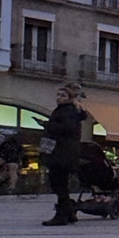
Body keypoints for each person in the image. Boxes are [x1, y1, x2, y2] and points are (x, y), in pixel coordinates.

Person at [40, 84, 88, 225]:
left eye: (63, 95)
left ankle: (61, 216)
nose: (59, 98)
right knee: (60, 184)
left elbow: (68, 128)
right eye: (58, 95)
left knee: (58, 184)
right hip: (64, 152)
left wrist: (48, 125)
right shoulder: (68, 110)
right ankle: (69, 214)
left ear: (69, 98)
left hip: (61, 153)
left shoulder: (67, 111)